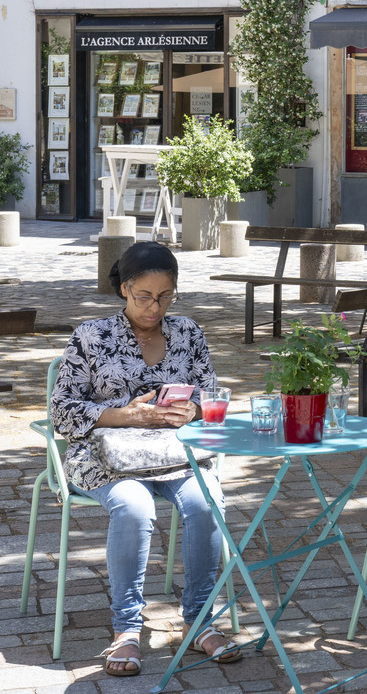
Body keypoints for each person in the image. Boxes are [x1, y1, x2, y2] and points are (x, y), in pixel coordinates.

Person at [49, 243, 243, 676]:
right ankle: (126, 630)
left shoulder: (188, 332)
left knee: (206, 502)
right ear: (124, 289)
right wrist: (126, 415)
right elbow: (62, 412)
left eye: (166, 296)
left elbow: (211, 395)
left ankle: (199, 621)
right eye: (144, 296)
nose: (155, 307)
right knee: (134, 508)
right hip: (105, 457)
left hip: (174, 454)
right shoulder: (91, 335)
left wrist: (193, 410)